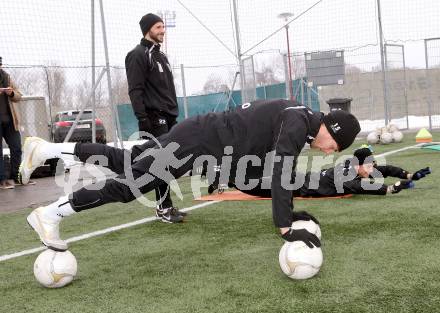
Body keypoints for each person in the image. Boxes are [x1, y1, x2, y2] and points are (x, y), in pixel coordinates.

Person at [19, 99, 360, 251]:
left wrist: (289, 211)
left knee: (128, 161)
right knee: (131, 186)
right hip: (196, 142)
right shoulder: (298, 122)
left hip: (197, 139)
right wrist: (285, 227)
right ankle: (48, 214)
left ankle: (44, 150)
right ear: (331, 129)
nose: (331, 153)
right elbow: (282, 170)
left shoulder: (297, 117)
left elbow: (255, 180)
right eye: (336, 146)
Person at [125, 13, 184, 223]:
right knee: (161, 161)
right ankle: (163, 208)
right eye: (158, 27)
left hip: (168, 116)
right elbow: (135, 90)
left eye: (163, 27)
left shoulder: (161, 56)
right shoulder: (138, 54)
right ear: (148, 29)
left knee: (170, 160)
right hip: (153, 117)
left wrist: (173, 112)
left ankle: (166, 205)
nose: (162, 30)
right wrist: (142, 119)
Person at [230, 145, 431, 198]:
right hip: (295, 186)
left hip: (301, 178)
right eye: (369, 166)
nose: (372, 169)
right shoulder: (347, 175)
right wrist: (390, 189)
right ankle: (229, 179)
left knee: (257, 178)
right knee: (252, 186)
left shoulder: (356, 167)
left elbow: (385, 169)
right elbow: (358, 187)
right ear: (359, 165)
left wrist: (409, 175)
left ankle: (232, 176)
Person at [0, 56, 23, 189]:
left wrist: (12, 93)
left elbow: (19, 95)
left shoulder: (7, 77)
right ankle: (2, 180)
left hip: (10, 121)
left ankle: (16, 176)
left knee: (16, 148)